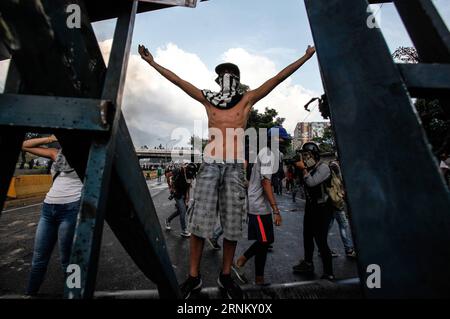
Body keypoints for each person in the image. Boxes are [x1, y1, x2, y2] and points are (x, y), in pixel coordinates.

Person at [138, 43, 316, 299]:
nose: (226, 80)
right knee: (199, 224)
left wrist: (305, 56)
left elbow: (278, 78)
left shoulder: (247, 99)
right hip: (210, 164)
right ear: (218, 80)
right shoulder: (207, 97)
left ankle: (225, 276)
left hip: (233, 166)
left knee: (232, 225)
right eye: (222, 75)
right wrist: (152, 63)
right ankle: (193, 277)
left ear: (237, 81)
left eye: (230, 75)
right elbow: (178, 81)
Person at [22, 135, 83, 295]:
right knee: (38, 259)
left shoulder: (86, 156)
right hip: (48, 209)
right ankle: (30, 294)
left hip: (70, 210)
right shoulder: (56, 153)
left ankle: (74, 294)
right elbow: (24, 146)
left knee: (68, 261)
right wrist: (50, 138)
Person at [232, 127, 284, 286]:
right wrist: (276, 209)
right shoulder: (268, 155)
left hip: (261, 205)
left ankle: (259, 279)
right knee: (264, 241)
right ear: (274, 140)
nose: (284, 143)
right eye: (282, 140)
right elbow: (266, 182)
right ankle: (241, 261)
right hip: (259, 206)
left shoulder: (267, 153)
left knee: (265, 241)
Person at [292, 142, 335, 280]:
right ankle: (308, 263)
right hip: (311, 207)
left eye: (307, 155)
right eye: (303, 155)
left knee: (321, 240)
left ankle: (329, 272)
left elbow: (311, 182)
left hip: (323, 209)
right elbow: (299, 182)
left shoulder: (323, 168)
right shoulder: (309, 168)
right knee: (307, 236)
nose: (304, 158)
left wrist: (304, 170)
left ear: (314, 156)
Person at [328, 160, 356, 258]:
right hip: (337, 204)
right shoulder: (335, 167)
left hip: (331, 204)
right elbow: (338, 188)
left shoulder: (330, 169)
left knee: (328, 226)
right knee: (343, 226)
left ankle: (322, 248)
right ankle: (348, 249)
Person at [165, 164, 193, 237]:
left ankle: (168, 220)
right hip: (177, 194)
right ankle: (184, 230)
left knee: (180, 211)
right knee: (183, 211)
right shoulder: (178, 170)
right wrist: (170, 187)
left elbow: (188, 186)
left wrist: (188, 196)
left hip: (183, 194)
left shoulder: (191, 173)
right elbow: (168, 175)